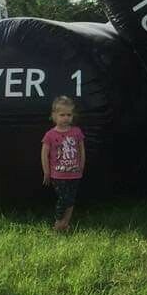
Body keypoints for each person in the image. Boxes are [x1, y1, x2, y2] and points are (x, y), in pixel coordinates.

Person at [41, 95, 85, 231]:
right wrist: (46, 171)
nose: (66, 118)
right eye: (62, 115)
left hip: (74, 173)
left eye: (69, 115)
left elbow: (81, 150)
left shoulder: (76, 132)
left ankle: (65, 224)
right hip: (58, 175)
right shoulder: (50, 135)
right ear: (54, 116)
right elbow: (44, 154)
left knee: (71, 199)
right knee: (63, 199)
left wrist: (81, 166)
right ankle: (58, 224)